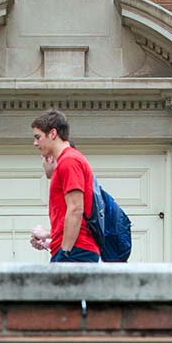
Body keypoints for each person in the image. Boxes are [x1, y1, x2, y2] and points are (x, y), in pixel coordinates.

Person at [26, 110, 99, 263]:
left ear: (52, 133)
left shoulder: (69, 161)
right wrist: (51, 242)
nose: (35, 143)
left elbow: (75, 209)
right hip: (75, 250)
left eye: (38, 137)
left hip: (75, 252)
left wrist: (64, 253)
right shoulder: (68, 161)